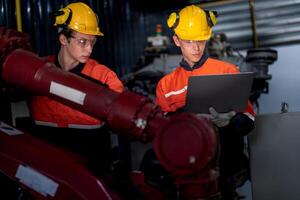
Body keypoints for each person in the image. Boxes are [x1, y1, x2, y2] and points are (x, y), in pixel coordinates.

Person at [155, 5, 255, 200]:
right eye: (189, 41)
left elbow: (249, 121)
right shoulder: (166, 85)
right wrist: (185, 119)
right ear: (176, 40)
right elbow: (162, 133)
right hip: (185, 176)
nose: (196, 47)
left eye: (201, 40)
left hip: (225, 174)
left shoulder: (228, 72)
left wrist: (230, 121)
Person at [26, 2, 124, 177]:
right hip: (47, 166)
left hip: (90, 171)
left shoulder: (104, 77)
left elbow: (123, 115)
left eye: (92, 42)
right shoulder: (37, 72)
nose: (89, 49)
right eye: (82, 42)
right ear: (63, 39)